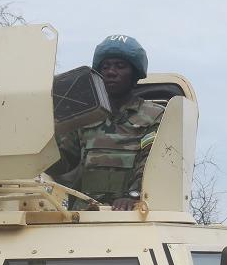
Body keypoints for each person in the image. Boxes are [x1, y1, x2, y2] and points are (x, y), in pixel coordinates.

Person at [48, 34, 164, 210]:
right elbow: (62, 162)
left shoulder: (153, 116)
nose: (111, 72)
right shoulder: (84, 115)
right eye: (105, 66)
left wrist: (133, 195)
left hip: (133, 211)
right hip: (85, 212)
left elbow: (152, 162)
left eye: (120, 66)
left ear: (134, 74)